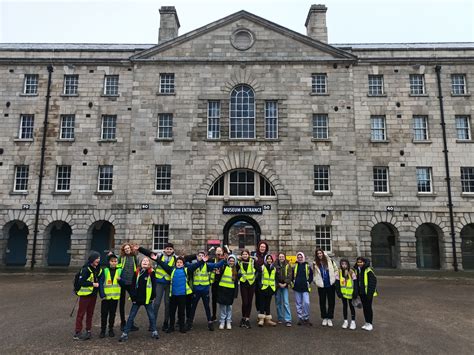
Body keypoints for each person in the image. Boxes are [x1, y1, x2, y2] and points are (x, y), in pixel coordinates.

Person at [156, 254, 205, 333]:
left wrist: (202, 261)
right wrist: (157, 259)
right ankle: (171, 327)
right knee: (172, 312)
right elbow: (164, 265)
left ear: (183, 264)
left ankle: (182, 327)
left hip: (182, 295)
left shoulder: (186, 270)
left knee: (181, 312)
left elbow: (195, 266)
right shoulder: (172, 270)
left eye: (180, 262)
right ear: (175, 263)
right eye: (177, 262)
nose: (179, 263)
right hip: (173, 295)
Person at [119, 257, 159, 342]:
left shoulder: (151, 273)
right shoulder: (136, 272)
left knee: (151, 316)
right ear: (140, 263)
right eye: (143, 261)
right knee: (131, 317)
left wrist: (152, 297)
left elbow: (154, 285)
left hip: (147, 299)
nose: (145, 262)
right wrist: (133, 297)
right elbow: (132, 286)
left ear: (149, 264)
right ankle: (125, 333)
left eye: (147, 261)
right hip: (137, 299)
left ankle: (154, 331)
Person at [138, 243, 176, 332]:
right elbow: (149, 253)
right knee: (156, 303)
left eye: (170, 249)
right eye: (167, 249)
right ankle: (152, 323)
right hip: (159, 283)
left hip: (169, 284)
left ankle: (166, 323)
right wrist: (140, 248)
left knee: (167, 304)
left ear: (173, 250)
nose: (169, 250)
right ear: (164, 249)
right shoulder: (159, 255)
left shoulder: (175, 258)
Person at [188, 251, 226, 331]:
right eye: (199, 255)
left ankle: (209, 322)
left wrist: (224, 259)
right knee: (193, 307)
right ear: (196, 257)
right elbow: (188, 266)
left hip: (205, 290)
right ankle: (190, 322)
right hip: (196, 290)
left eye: (202, 255)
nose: (201, 257)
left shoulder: (207, 265)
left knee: (207, 307)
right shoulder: (193, 265)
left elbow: (217, 265)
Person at [74, 251, 102, 340]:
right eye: (97, 258)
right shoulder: (86, 269)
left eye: (99, 258)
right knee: (81, 314)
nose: (98, 260)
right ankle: (77, 332)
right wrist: (92, 284)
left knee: (90, 313)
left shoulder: (98, 268)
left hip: (93, 295)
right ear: (92, 259)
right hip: (85, 295)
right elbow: (81, 282)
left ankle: (88, 330)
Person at [313, 248, 338, 327]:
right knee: (322, 302)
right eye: (318, 254)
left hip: (330, 284)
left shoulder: (330, 261)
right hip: (321, 285)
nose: (319, 255)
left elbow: (336, 269)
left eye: (320, 253)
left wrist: (334, 279)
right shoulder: (315, 263)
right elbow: (314, 273)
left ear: (323, 253)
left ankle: (329, 318)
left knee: (331, 301)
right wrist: (316, 281)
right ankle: (324, 317)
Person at [117, 243, 139, 332]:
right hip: (122, 282)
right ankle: (123, 323)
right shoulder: (121, 258)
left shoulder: (134, 257)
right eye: (125, 249)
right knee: (122, 303)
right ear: (123, 250)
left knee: (135, 301)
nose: (127, 250)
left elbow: (137, 268)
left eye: (128, 248)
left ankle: (131, 322)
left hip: (131, 283)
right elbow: (118, 267)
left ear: (130, 249)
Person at [98, 253, 121, 338]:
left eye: (115, 261)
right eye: (112, 261)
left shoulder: (119, 271)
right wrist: (102, 293)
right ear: (109, 262)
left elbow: (123, 283)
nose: (114, 263)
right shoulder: (104, 270)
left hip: (115, 297)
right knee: (104, 314)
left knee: (112, 314)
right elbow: (101, 283)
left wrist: (121, 280)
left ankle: (111, 329)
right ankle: (103, 330)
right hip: (105, 297)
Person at [355, 257, 378, 331]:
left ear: (364, 262)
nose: (359, 263)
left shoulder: (368, 270)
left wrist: (369, 293)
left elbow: (373, 282)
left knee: (368, 308)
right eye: (358, 262)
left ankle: (370, 323)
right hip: (362, 292)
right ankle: (366, 322)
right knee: (365, 308)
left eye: (361, 262)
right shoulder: (357, 270)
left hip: (368, 293)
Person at [217, 254, 239, 330]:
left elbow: (236, 283)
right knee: (222, 306)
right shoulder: (224, 267)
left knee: (229, 306)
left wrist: (235, 293)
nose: (231, 262)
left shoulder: (236, 270)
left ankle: (228, 320)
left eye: (233, 261)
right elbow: (218, 276)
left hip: (231, 290)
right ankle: (222, 321)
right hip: (222, 289)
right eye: (230, 260)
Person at [335, 258, 358, 330]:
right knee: (344, 306)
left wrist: (355, 292)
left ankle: (353, 322)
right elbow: (337, 283)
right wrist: (338, 292)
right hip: (343, 293)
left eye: (345, 264)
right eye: (342, 264)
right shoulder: (338, 272)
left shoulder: (351, 272)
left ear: (348, 264)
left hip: (351, 293)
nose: (344, 265)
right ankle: (345, 321)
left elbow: (355, 283)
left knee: (352, 307)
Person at [292, 251, 313, 326]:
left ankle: (306, 317)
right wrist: (293, 284)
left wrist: (308, 282)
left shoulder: (307, 266)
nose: (300, 258)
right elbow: (292, 276)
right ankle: (300, 318)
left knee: (306, 303)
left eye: (301, 257)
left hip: (305, 287)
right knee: (298, 303)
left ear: (303, 257)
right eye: (298, 257)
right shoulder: (294, 266)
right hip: (297, 287)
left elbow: (311, 275)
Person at [237, 249, 256, 329]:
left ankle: (247, 319)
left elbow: (258, 269)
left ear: (248, 255)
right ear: (241, 255)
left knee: (249, 302)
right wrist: (240, 277)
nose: (245, 255)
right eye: (243, 254)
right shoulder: (239, 262)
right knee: (245, 302)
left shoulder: (253, 261)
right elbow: (235, 271)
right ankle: (243, 317)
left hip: (251, 283)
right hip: (243, 283)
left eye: (246, 254)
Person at [257, 254, 277, 327]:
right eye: (268, 259)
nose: (269, 260)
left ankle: (268, 319)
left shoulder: (274, 268)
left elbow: (275, 279)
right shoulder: (262, 267)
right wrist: (260, 286)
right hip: (263, 288)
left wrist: (275, 288)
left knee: (268, 304)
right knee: (262, 303)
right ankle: (261, 319)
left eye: (270, 259)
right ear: (266, 260)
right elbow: (258, 278)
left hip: (270, 288)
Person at [275, 252, 293, 326]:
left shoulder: (288, 265)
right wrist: (278, 283)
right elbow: (274, 275)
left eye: (282, 256)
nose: (281, 258)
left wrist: (285, 283)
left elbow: (290, 275)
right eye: (280, 256)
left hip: (285, 286)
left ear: (285, 257)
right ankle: (280, 318)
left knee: (286, 302)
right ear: (278, 257)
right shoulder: (275, 265)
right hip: (277, 286)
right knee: (278, 303)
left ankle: (288, 319)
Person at [210, 246, 226, 321]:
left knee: (223, 300)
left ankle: (223, 316)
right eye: (217, 251)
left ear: (222, 252)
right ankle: (214, 315)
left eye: (220, 251)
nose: (219, 253)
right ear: (215, 252)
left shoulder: (225, 261)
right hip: (215, 282)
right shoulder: (212, 260)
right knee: (214, 300)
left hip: (223, 282)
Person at [253, 241, 269, 316]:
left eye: (264, 247)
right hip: (257, 279)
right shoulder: (255, 255)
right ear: (259, 247)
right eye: (261, 247)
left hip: (266, 279)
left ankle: (265, 312)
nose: (262, 248)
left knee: (266, 296)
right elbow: (254, 265)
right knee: (258, 296)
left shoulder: (267, 256)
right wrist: (260, 268)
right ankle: (260, 312)